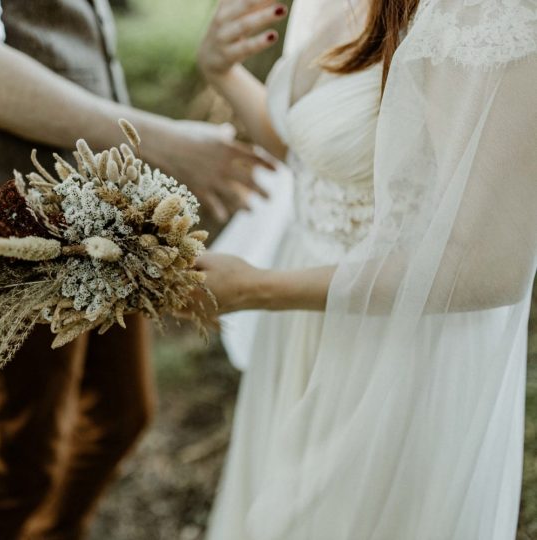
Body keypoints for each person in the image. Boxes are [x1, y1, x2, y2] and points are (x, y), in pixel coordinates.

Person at [0, 1, 272, 539]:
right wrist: (163, 142)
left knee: (121, 415)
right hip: (9, 218)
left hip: (96, 209)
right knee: (22, 461)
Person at [195, 0, 537, 538]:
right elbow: (318, 146)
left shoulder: (483, 13)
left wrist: (257, 287)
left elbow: (489, 266)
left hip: (396, 353)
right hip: (306, 321)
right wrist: (221, 69)